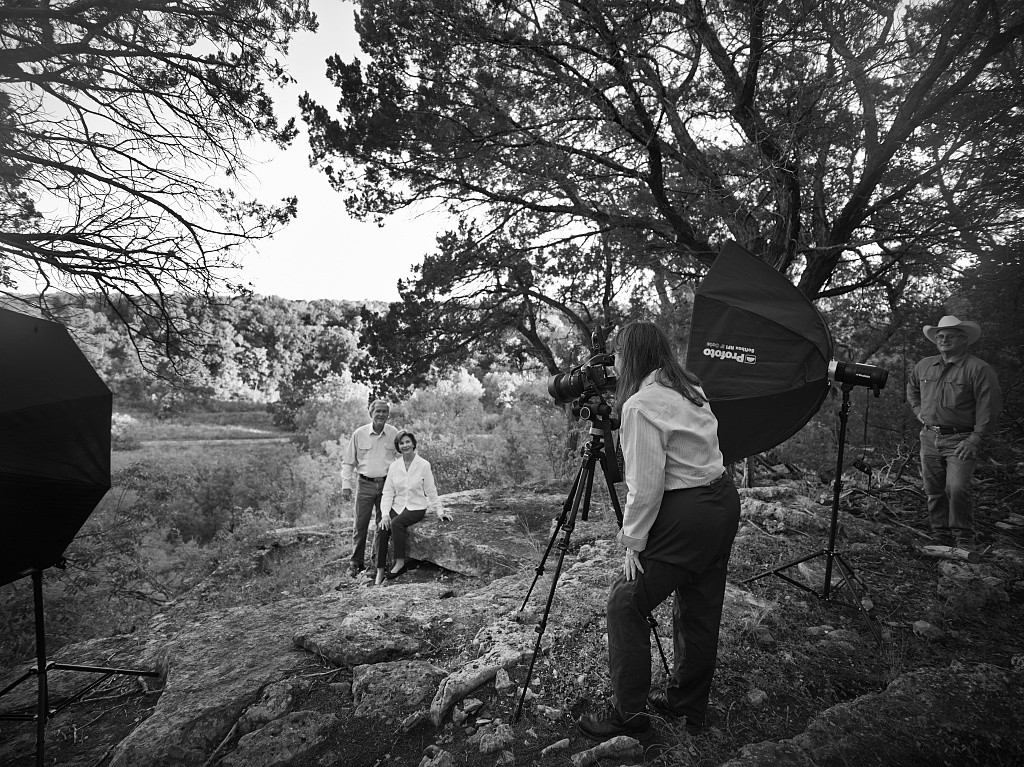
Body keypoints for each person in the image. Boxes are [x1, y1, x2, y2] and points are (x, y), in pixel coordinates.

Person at [577, 321, 740, 742]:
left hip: (691, 513)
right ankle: (690, 708)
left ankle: (628, 715)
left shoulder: (641, 405)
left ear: (631, 357)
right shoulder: (689, 388)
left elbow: (645, 486)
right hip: (722, 501)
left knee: (626, 601)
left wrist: (633, 541)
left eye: (619, 355)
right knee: (700, 605)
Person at [907, 315, 1002, 550]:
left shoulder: (978, 369)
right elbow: (912, 388)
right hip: (929, 437)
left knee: (957, 488)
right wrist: (918, 410)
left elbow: (990, 406)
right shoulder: (924, 365)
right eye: (940, 336)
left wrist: (976, 438)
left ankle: (963, 536)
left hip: (961, 439)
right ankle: (940, 534)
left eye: (950, 335)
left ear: (964, 340)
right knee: (933, 489)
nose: (944, 339)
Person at [374, 430, 452, 586]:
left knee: (397, 523)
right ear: (398, 446)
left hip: (416, 506)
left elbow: (431, 490)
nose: (405, 445)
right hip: (398, 505)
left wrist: (440, 511)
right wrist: (384, 514)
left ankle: (400, 563)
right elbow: (388, 492)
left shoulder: (423, 465)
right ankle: (380, 570)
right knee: (383, 527)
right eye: (401, 443)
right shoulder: (394, 467)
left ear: (413, 443)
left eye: (407, 442)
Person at [341, 400, 400, 577]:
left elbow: (403, 458)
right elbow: (349, 462)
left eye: (384, 412)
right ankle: (355, 562)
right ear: (371, 413)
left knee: (383, 525)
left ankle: (376, 563)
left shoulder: (393, 433)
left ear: (388, 415)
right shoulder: (359, 434)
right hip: (364, 484)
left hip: (386, 486)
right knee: (361, 524)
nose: (381, 414)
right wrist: (346, 485)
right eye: (378, 411)